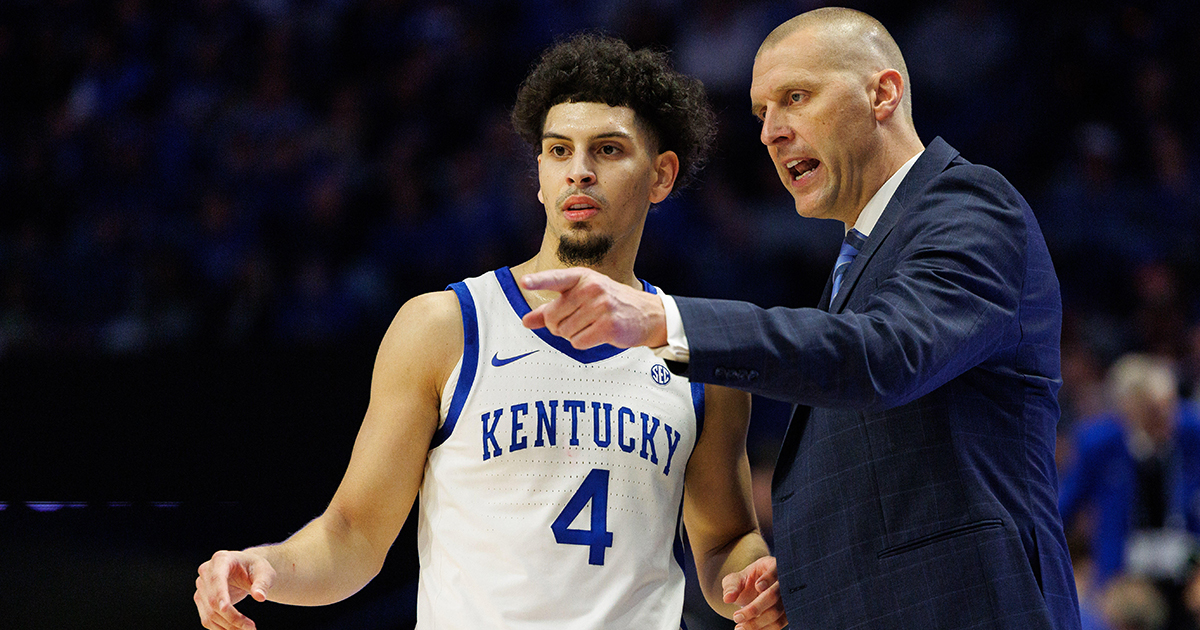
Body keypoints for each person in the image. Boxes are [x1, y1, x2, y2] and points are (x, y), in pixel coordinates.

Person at [193, 34, 786, 630]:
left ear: (661, 175)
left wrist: (755, 580)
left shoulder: (699, 350)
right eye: (559, 151)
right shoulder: (444, 327)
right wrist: (264, 564)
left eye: (607, 150)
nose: (578, 172)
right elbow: (353, 534)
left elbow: (723, 544)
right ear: (538, 174)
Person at [519, 7, 1082, 629]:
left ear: (883, 93)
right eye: (762, 114)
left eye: (796, 98)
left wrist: (665, 321)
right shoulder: (865, 260)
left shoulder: (969, 204)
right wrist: (813, 573)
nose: (770, 133)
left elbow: (883, 356)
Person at [1059, 354, 1200, 586]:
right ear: (1131, 409)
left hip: (1186, 564)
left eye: (1170, 407)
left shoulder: (1191, 433)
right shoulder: (1098, 443)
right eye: (1155, 411)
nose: (1167, 420)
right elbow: (1064, 509)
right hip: (1123, 574)